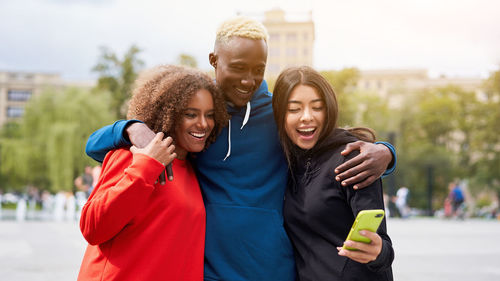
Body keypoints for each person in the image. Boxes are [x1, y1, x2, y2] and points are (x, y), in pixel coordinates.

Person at [84, 17, 396, 281]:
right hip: (209, 270)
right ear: (214, 60)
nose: (248, 79)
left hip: (274, 268)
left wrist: (385, 152)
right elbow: (95, 147)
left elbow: (326, 138)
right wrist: (129, 128)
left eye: (258, 68)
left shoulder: (279, 112)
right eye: (238, 67)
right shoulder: (195, 117)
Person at [77, 65, 228, 281]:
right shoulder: (130, 154)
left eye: (210, 115)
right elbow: (92, 227)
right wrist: (145, 166)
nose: (203, 124)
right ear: (168, 113)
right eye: (190, 114)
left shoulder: (193, 167)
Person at [272, 66, 393, 280]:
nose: (306, 117)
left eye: (317, 107)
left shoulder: (354, 158)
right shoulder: (286, 161)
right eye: (294, 109)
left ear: (328, 110)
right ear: (280, 114)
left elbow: (384, 248)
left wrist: (377, 251)